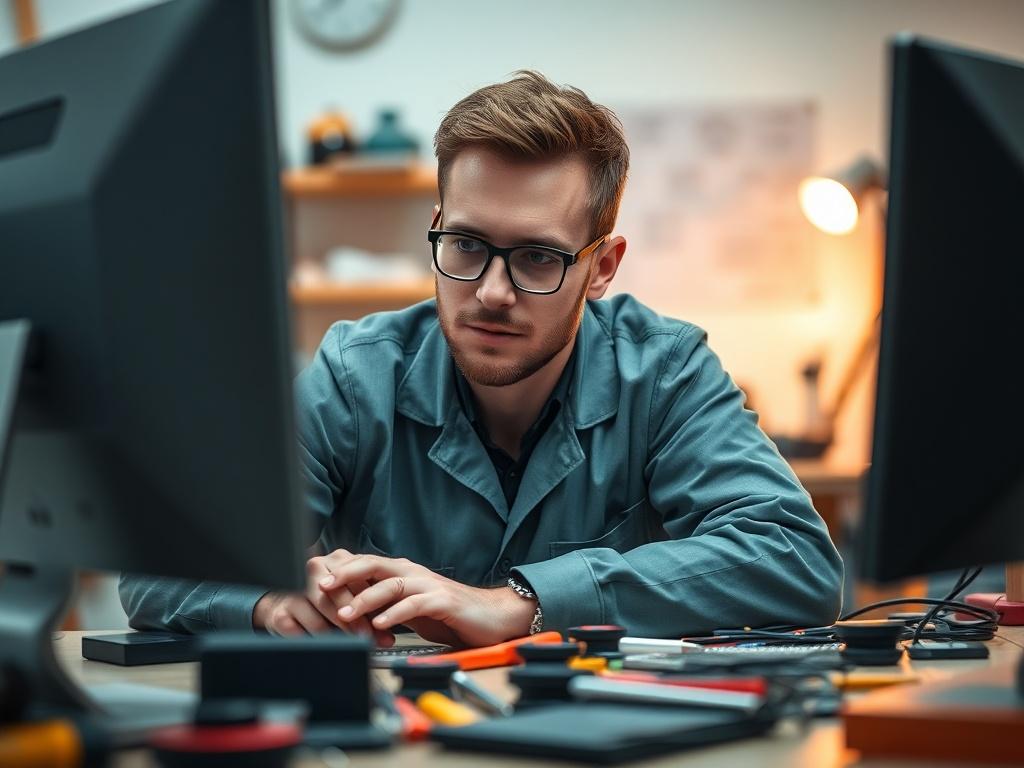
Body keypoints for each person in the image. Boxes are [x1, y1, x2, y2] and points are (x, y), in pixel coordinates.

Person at [120, 71, 843, 647]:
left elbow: (796, 559)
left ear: (602, 267)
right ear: (434, 230)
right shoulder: (353, 375)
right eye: (466, 245)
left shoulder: (665, 371)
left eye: (537, 257)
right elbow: (157, 570)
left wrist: (523, 603)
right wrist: (266, 599)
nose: (492, 294)